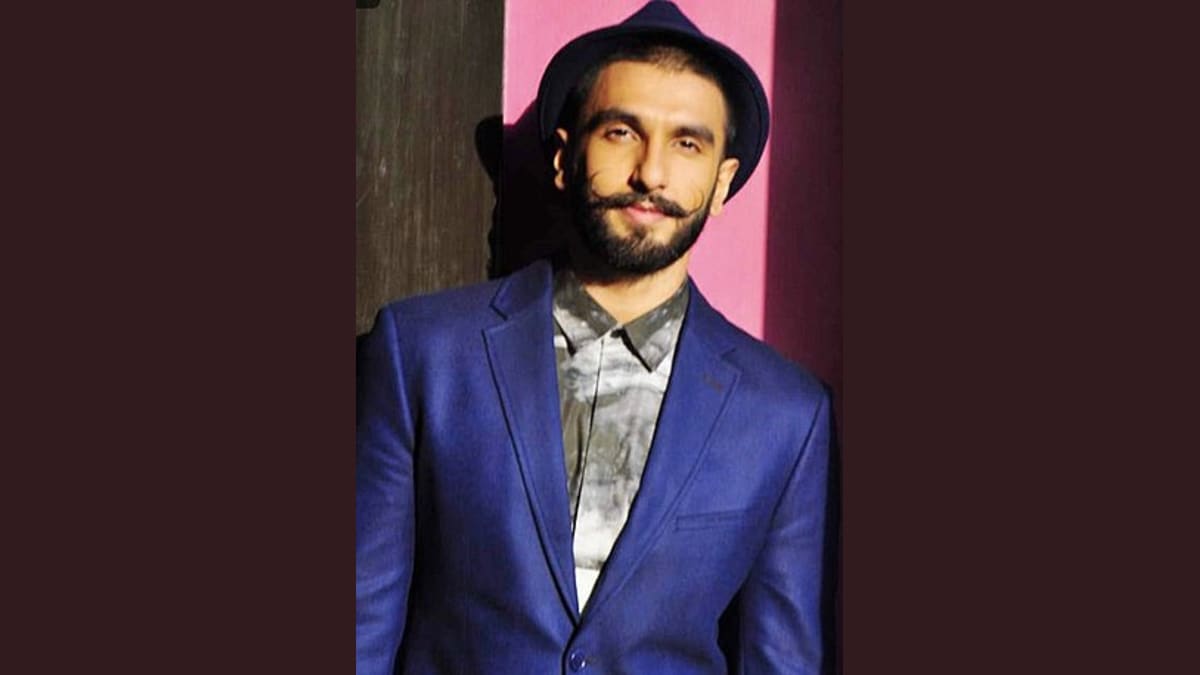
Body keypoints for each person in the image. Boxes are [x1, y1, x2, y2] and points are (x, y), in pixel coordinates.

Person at [356, 2, 837, 673]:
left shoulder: (786, 416)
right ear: (565, 158)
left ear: (722, 183)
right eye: (621, 132)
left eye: (688, 143)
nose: (651, 173)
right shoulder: (423, 354)